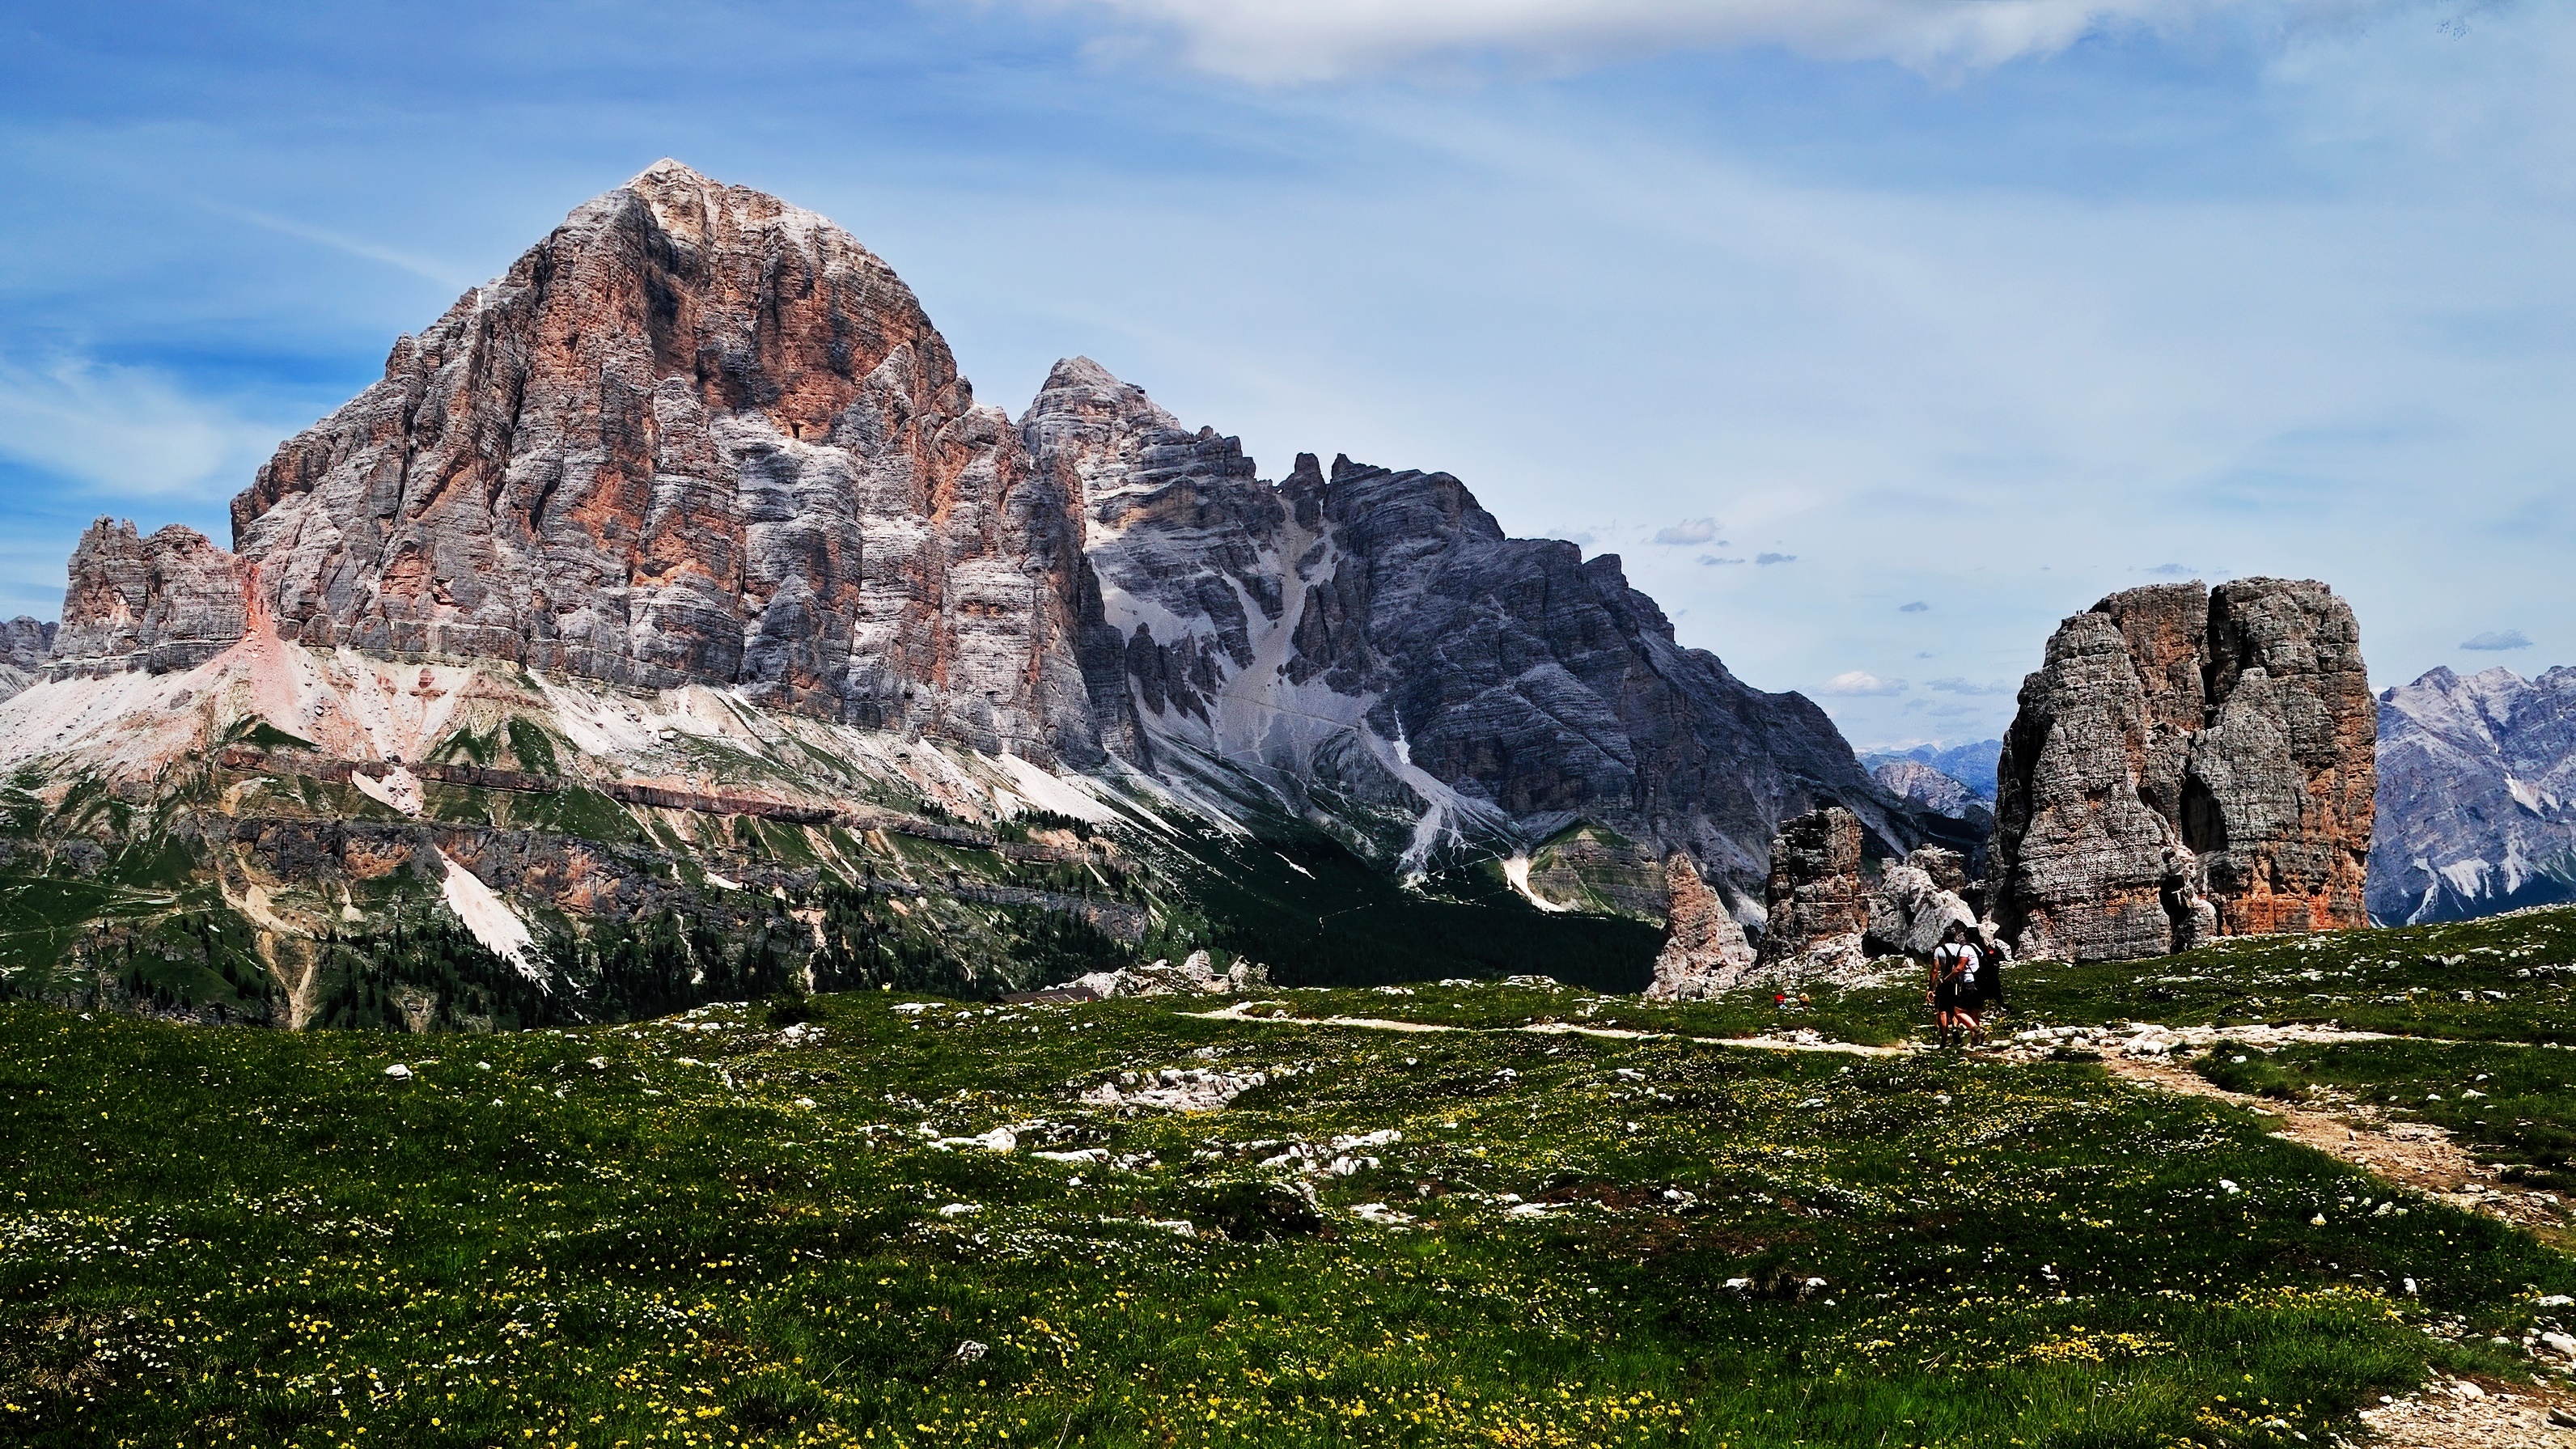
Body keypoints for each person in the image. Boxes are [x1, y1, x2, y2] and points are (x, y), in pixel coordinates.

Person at [1928, 924, 1984, 1049]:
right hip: (1959, 983)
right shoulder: (1961, 947)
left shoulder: (1939, 950)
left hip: (1946, 982)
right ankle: (1955, 1028)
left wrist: (1931, 988)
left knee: (1943, 1010)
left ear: (1944, 936)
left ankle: (1944, 1039)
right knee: (1956, 1007)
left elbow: (1935, 970)